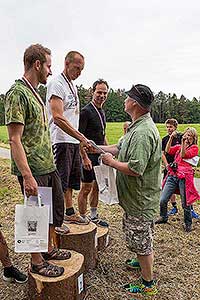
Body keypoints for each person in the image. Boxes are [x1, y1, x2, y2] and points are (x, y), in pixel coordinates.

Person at [5, 44, 71, 278]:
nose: (50, 71)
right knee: (34, 216)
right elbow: (14, 139)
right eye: (48, 66)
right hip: (33, 168)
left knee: (53, 211)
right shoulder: (17, 93)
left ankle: (48, 249)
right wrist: (27, 175)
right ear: (36, 64)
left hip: (47, 164)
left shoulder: (35, 93)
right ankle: (36, 262)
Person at [97, 84, 161, 296]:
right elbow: (118, 147)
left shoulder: (142, 132)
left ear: (134, 103)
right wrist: (96, 147)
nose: (124, 100)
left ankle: (147, 284)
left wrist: (111, 162)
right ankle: (140, 260)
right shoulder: (137, 126)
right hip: (136, 199)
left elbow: (135, 168)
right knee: (140, 236)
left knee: (143, 241)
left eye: (127, 97)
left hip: (140, 200)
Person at [46, 51, 91, 225]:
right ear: (66, 63)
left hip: (71, 140)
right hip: (61, 139)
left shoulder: (72, 85)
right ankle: (56, 221)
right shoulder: (57, 83)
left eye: (82, 69)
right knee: (60, 182)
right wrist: (80, 136)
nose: (79, 72)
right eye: (77, 68)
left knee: (71, 180)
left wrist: (78, 141)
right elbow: (57, 117)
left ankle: (69, 211)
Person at [78, 79, 109, 227]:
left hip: (99, 156)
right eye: (99, 92)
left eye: (104, 93)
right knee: (86, 188)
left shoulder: (102, 111)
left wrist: (107, 152)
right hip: (88, 156)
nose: (101, 95)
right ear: (93, 92)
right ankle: (83, 217)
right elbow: (79, 137)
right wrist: (84, 157)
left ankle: (94, 215)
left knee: (97, 186)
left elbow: (102, 134)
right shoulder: (85, 111)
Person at [156, 127, 200, 232]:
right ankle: (163, 216)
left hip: (185, 178)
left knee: (186, 203)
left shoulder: (194, 148)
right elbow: (167, 150)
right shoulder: (179, 146)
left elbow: (184, 155)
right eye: (186, 134)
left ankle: (188, 223)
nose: (187, 137)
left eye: (190, 135)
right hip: (173, 175)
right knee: (163, 199)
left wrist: (183, 142)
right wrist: (171, 138)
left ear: (194, 138)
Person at [162, 119, 182, 215]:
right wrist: (166, 165)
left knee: (184, 188)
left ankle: (189, 208)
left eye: (171, 127)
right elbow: (162, 153)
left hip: (180, 167)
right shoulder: (164, 139)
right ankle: (174, 207)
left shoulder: (181, 137)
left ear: (175, 127)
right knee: (169, 188)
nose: (169, 129)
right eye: (167, 127)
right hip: (169, 166)